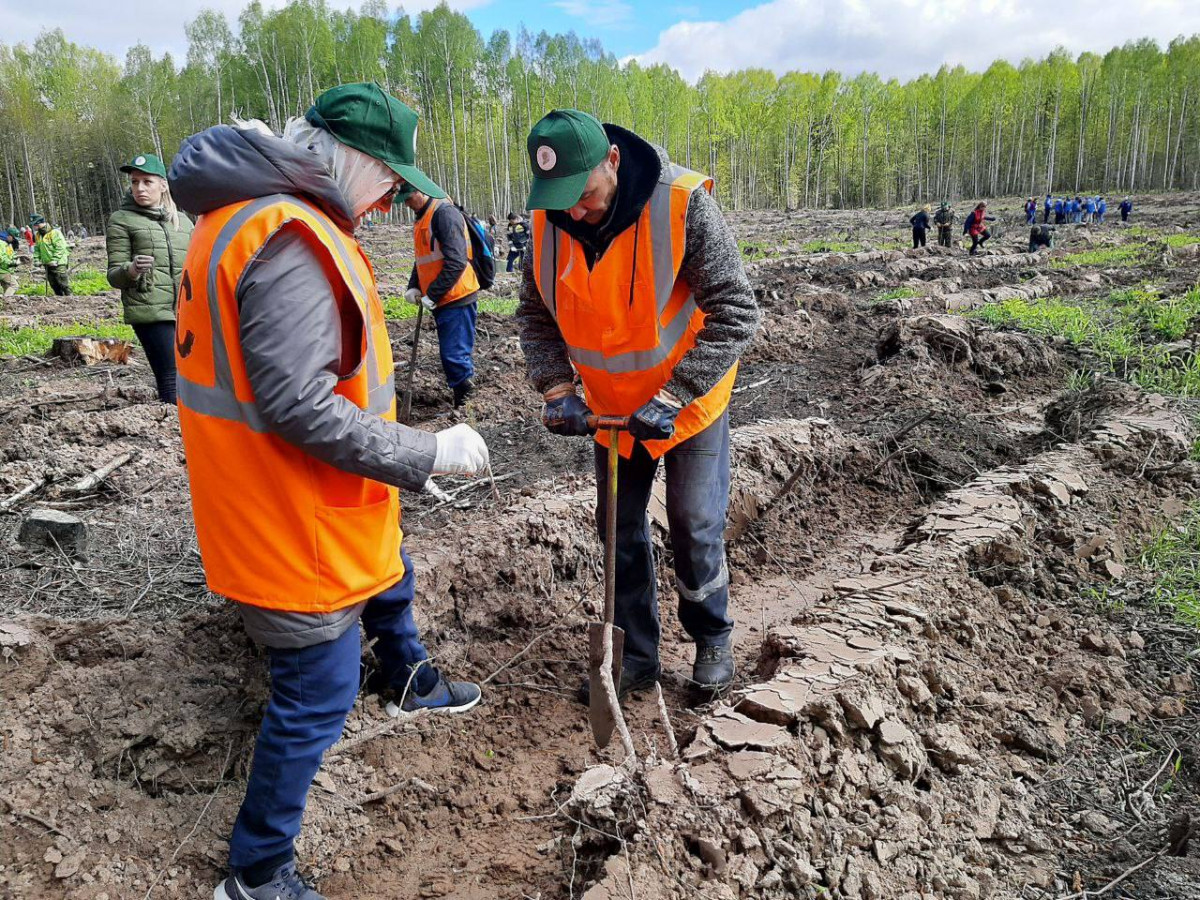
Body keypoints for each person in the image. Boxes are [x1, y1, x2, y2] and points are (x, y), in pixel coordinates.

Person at [168, 82, 488, 900]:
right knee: (317, 690)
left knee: (392, 573)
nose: (388, 204)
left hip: (309, 500)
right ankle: (259, 870)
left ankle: (408, 679)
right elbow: (298, 404)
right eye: (387, 179)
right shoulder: (292, 238)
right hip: (290, 516)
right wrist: (427, 451)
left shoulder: (242, 219)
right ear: (348, 158)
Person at [517, 109, 760, 698]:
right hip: (612, 409)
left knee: (694, 523)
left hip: (686, 404)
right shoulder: (546, 225)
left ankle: (712, 637)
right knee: (618, 529)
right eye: (562, 199)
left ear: (613, 162)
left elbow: (736, 310)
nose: (575, 210)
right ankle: (635, 657)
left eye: (585, 194)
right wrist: (557, 389)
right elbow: (534, 316)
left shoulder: (680, 205)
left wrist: (676, 393)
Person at [106, 153, 195, 403]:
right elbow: (114, 275)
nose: (140, 188)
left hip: (186, 308)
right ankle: (173, 424)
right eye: (135, 182)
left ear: (163, 185)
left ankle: (191, 426)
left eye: (147, 182)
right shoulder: (121, 220)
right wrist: (132, 270)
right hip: (149, 310)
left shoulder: (183, 222)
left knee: (194, 372)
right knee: (170, 372)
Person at [401, 183, 480, 407]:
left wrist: (433, 294)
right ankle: (462, 399)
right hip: (444, 298)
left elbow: (456, 261)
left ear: (420, 191)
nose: (406, 204)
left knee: (454, 356)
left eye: (408, 198)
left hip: (457, 297)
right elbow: (424, 257)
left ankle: (466, 406)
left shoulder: (444, 214)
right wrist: (414, 286)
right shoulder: (421, 216)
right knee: (451, 356)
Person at [29, 214, 70, 295]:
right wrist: (36, 259)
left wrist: (55, 259)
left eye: (35, 225)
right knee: (54, 285)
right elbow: (37, 249)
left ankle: (70, 298)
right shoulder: (37, 235)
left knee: (63, 283)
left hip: (59, 262)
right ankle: (60, 301)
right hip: (47, 263)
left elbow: (60, 247)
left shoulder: (54, 232)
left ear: (40, 223)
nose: (33, 227)